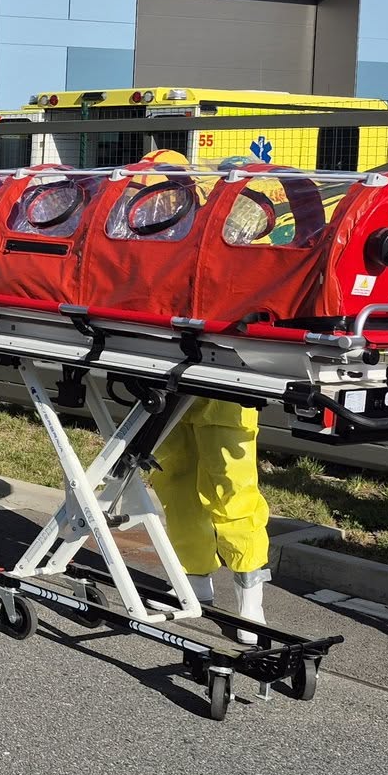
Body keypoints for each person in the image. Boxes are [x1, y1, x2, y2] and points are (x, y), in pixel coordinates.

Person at [136, 149, 273, 630]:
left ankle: (250, 590)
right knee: (175, 480)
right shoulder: (161, 234)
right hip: (169, 369)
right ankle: (194, 579)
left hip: (225, 376)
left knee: (231, 486)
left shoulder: (238, 229)